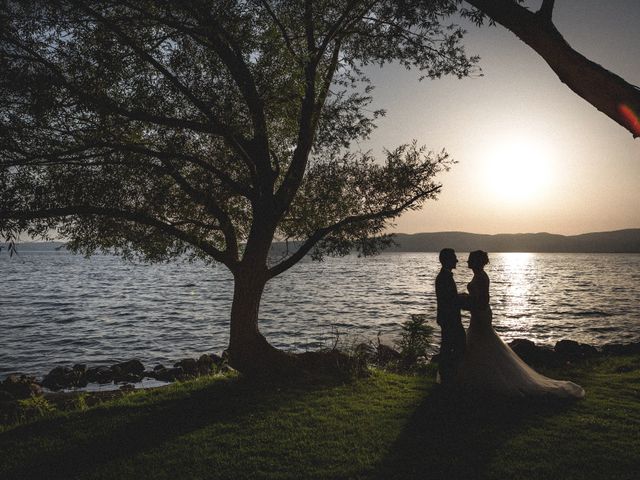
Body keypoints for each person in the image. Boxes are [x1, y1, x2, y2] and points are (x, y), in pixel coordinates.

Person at [455, 250, 585, 399]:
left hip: (481, 315)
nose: (468, 262)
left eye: (471, 259)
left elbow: (483, 302)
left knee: (481, 342)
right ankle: (478, 377)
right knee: (478, 344)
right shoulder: (477, 276)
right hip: (477, 314)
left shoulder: (482, 277)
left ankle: (487, 380)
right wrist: (467, 300)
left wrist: (465, 303)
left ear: (477, 262)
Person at [435, 248, 466, 385]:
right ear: (447, 260)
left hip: (449, 318)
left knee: (449, 346)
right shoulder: (443, 277)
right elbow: (449, 300)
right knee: (456, 345)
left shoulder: (445, 276)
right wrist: (464, 300)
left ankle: (448, 375)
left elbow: (450, 298)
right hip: (450, 319)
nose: (457, 260)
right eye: (454, 257)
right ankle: (448, 375)